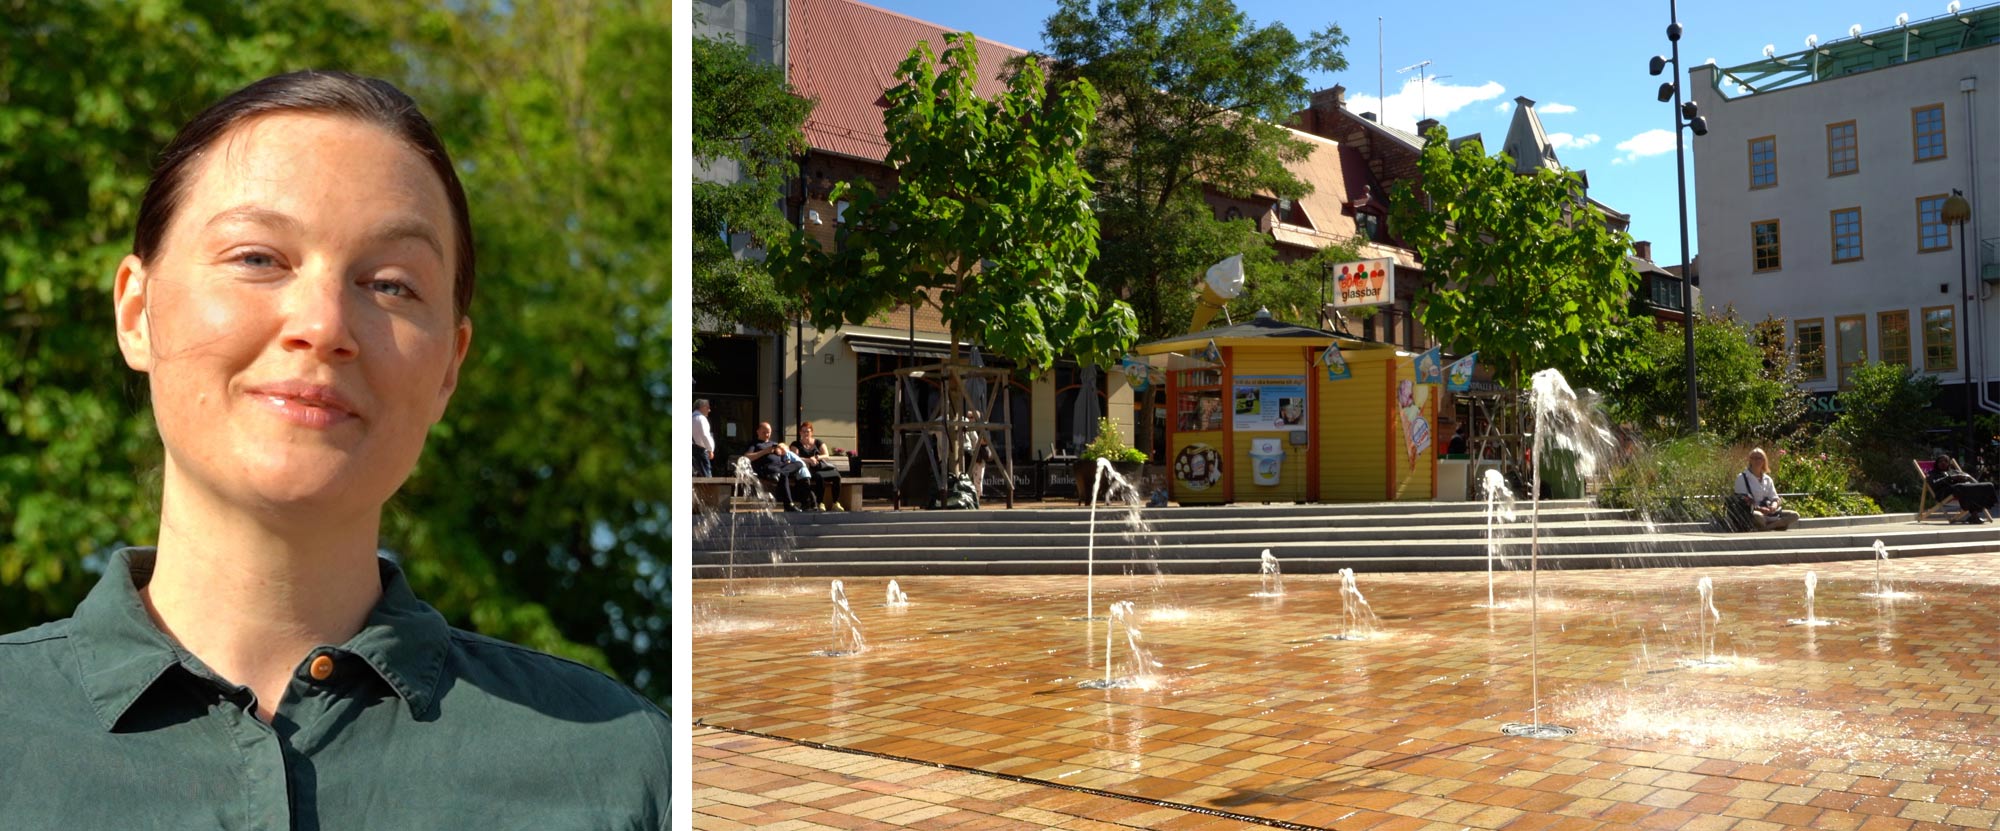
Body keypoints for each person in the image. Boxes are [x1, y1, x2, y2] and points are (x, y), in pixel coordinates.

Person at [0, 71, 667, 827]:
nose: (323, 325)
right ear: (136, 311)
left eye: (389, 284)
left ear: (451, 363)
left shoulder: (621, 768)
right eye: (257, 258)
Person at [745, 421, 817, 511]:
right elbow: (747, 457)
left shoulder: (774, 443)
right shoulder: (755, 444)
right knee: (786, 475)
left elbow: (784, 454)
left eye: (769, 432)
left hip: (783, 466)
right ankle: (790, 505)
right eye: (764, 432)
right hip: (768, 468)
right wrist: (765, 451)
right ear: (758, 431)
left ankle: (806, 503)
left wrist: (784, 457)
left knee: (799, 464)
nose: (767, 435)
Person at [1732, 447, 1799, 531]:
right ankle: (1776, 525)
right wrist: (1760, 509)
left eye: (1759, 458)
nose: (1757, 461)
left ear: (1764, 460)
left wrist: (1773, 506)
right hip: (1752, 512)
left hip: (1770, 512)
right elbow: (1742, 500)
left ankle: (1767, 527)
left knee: (1794, 515)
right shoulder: (1742, 478)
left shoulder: (1768, 479)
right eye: (1754, 458)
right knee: (1758, 517)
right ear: (1750, 460)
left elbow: (1775, 498)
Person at [792, 421, 847, 511]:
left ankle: (835, 503)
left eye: (808, 431)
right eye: (803, 431)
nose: (806, 433)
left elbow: (826, 455)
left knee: (837, 476)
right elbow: (795, 458)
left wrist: (817, 457)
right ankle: (820, 503)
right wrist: (809, 460)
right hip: (808, 470)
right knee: (819, 477)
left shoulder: (818, 442)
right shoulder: (796, 444)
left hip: (820, 467)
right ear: (800, 432)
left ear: (812, 432)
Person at [1928, 455, 1995, 524]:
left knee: (1987, 485)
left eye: (1946, 461)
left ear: (1949, 463)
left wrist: (1969, 477)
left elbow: (1976, 483)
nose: (1943, 463)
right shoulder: (1932, 473)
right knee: (1962, 487)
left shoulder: (1954, 471)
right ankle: (1974, 516)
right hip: (1943, 493)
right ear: (1937, 463)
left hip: (1960, 491)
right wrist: (1950, 478)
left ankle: (1974, 515)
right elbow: (1934, 484)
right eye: (1940, 461)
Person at [693, 397, 716, 477]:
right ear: (702, 407)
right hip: (700, 451)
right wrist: (710, 449)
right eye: (708, 407)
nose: (709, 410)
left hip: (694, 451)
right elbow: (705, 435)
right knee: (707, 478)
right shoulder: (701, 418)